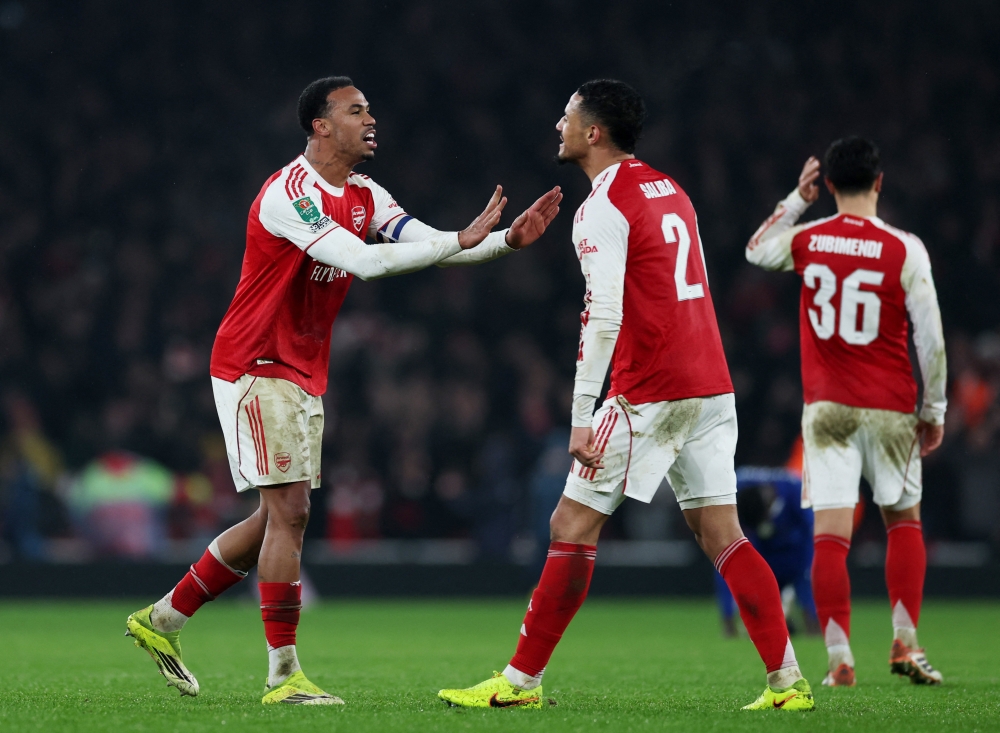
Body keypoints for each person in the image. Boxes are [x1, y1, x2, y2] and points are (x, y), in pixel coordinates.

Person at [125, 75, 562, 705]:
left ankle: (163, 618)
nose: (370, 119)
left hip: (302, 368)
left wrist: (503, 243)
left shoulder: (365, 193)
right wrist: (460, 240)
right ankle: (283, 677)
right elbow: (364, 261)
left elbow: (429, 245)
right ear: (321, 126)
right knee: (291, 513)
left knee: (276, 516)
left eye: (370, 110)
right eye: (356, 111)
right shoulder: (289, 194)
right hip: (255, 362)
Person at [437, 79, 814, 712]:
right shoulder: (672, 189)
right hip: (710, 384)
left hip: (651, 390)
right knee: (723, 533)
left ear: (593, 132)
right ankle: (788, 683)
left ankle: (520, 683)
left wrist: (581, 416)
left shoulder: (601, 207)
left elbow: (603, 313)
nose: (558, 125)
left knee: (570, 523)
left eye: (567, 116)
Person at [745, 137, 947, 687]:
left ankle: (839, 660)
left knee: (830, 537)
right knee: (903, 521)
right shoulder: (905, 249)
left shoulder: (809, 239)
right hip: (890, 407)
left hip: (827, 409)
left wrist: (797, 199)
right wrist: (934, 409)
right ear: (880, 182)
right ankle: (905, 643)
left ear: (830, 184)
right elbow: (930, 338)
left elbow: (756, 249)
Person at [714, 467, 819, 638]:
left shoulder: (795, 491)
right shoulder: (732, 488)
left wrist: (810, 609)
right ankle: (736, 623)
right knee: (726, 561)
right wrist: (728, 617)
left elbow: (811, 536)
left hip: (794, 554)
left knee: (806, 579)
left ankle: (810, 624)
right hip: (758, 551)